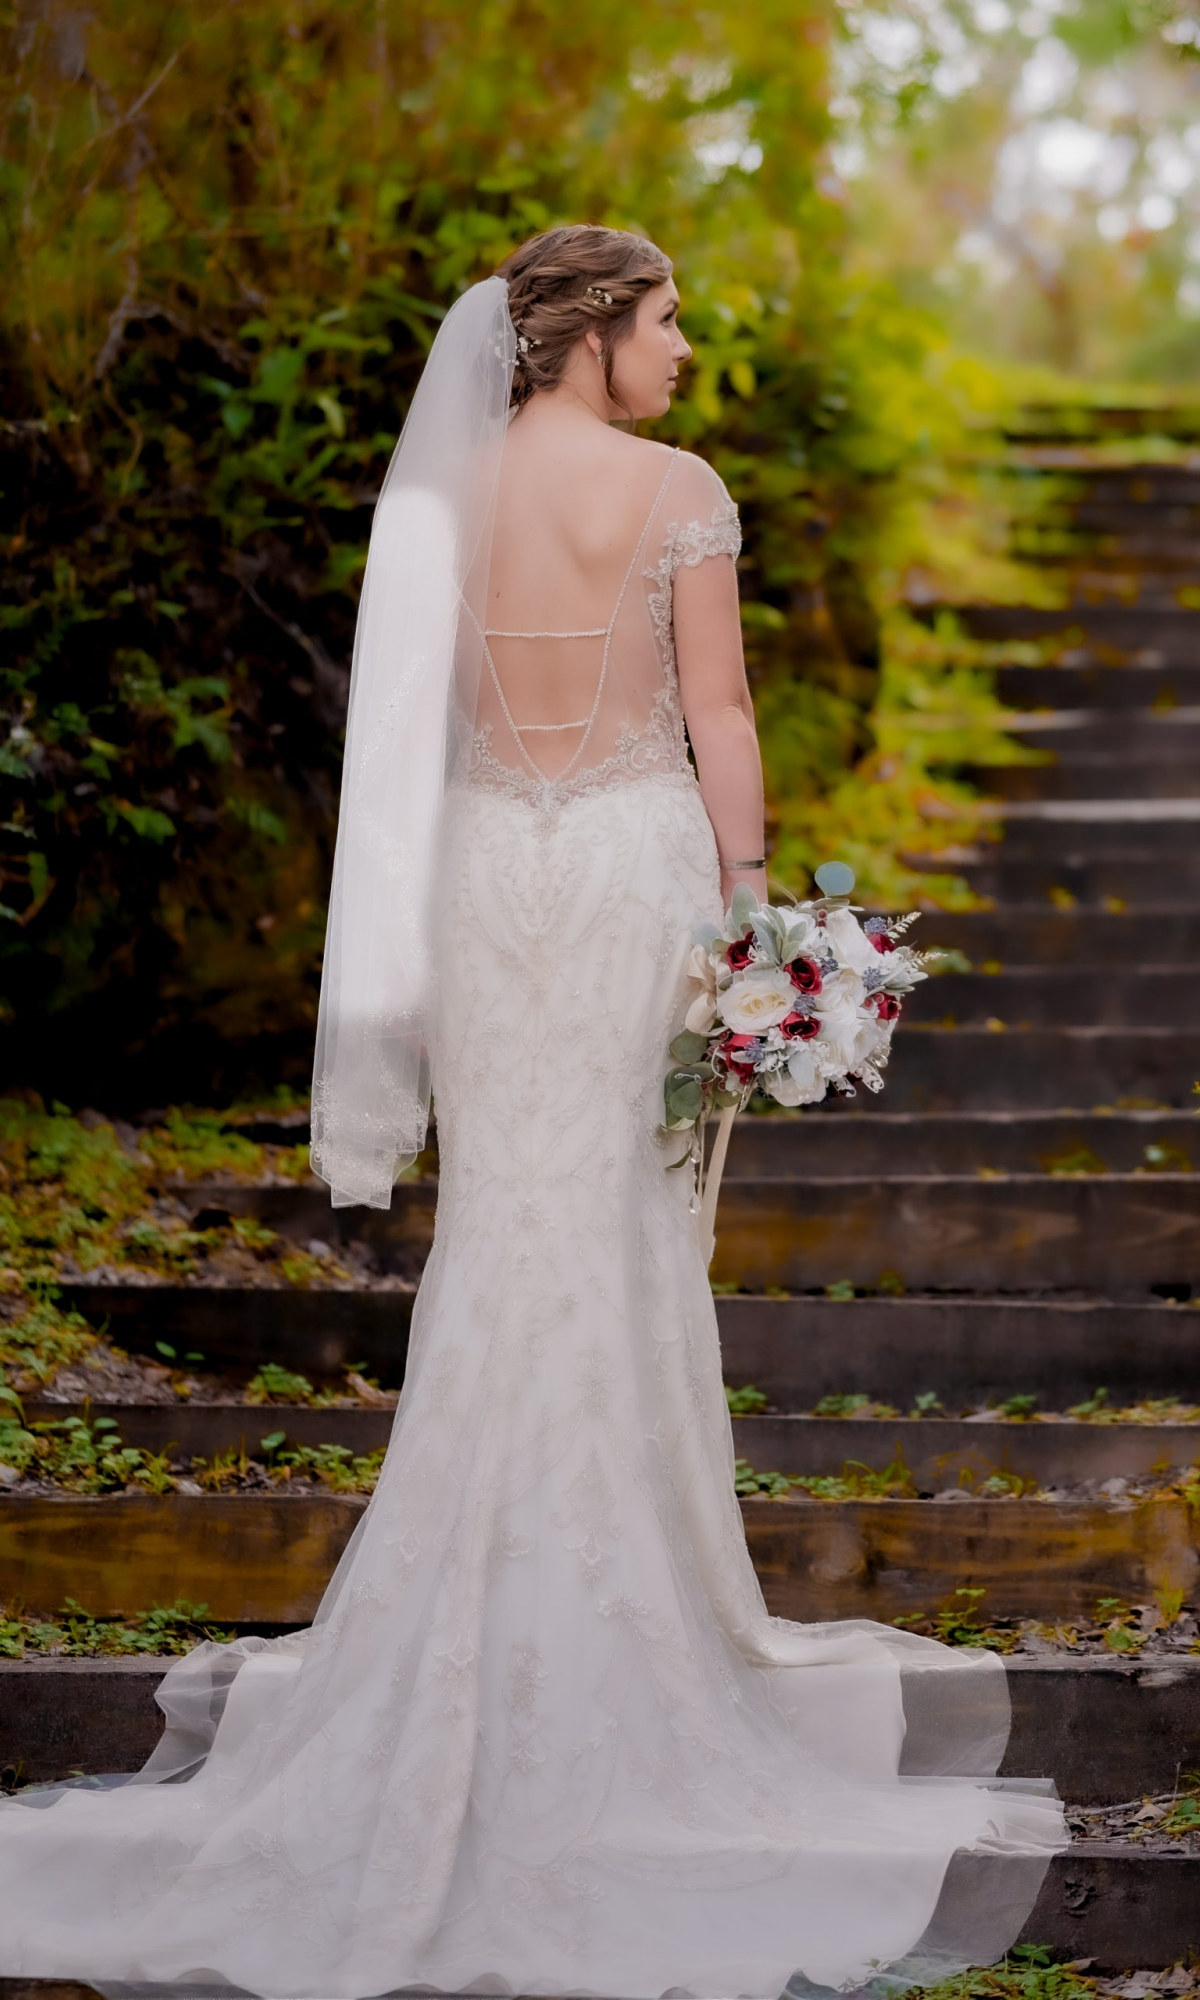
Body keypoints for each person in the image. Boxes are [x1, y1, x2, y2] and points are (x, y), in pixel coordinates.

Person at [0, 223, 1068, 2000]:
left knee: (509, 1229)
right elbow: (717, 707)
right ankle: (618, 1646)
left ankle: (470, 1629)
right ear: (586, 333)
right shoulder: (675, 489)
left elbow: (408, 745)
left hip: (489, 886)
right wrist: (760, 922)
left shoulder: (447, 500)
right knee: (622, 1235)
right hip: (640, 879)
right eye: (663, 321)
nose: (683, 353)